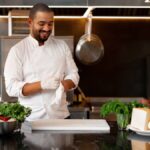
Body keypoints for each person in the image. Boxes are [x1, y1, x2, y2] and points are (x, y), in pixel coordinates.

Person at [4, 3, 79, 121]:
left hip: (60, 118)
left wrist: (62, 85)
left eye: (50, 24)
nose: (47, 28)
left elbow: (74, 75)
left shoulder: (62, 46)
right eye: (41, 23)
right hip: (30, 120)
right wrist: (42, 84)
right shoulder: (18, 50)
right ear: (30, 22)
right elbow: (11, 87)